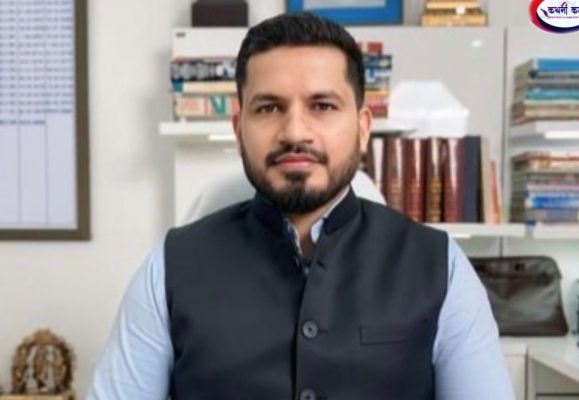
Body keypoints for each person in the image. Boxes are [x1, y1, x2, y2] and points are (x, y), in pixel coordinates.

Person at [86, 12, 515, 400]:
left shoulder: (442, 268)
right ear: (239, 129)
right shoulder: (167, 269)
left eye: (322, 106)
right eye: (269, 107)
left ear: (362, 127)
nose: (295, 132)